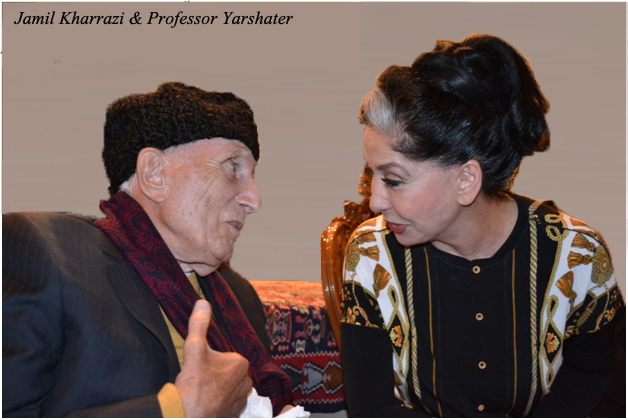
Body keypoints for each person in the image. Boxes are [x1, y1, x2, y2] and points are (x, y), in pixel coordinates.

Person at [340, 35, 624, 417]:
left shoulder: (576, 256)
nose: (375, 201)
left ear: (466, 180)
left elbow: (601, 386)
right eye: (371, 175)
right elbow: (372, 408)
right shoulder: (371, 253)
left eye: (393, 180)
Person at [3, 82, 292, 417]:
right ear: (155, 174)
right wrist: (176, 411)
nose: (254, 199)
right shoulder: (47, 251)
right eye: (232, 168)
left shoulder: (240, 297)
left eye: (252, 176)